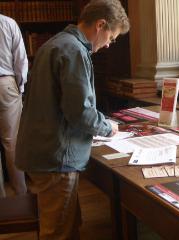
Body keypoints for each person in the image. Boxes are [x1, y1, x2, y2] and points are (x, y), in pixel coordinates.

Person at [15, 0, 129, 238]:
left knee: (69, 223)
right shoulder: (75, 50)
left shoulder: (55, 43)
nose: (109, 45)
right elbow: (79, 112)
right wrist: (108, 127)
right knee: (58, 232)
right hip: (57, 157)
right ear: (100, 25)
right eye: (111, 37)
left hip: (43, 150)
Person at [0, 13, 28, 196]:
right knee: (12, 143)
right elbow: (20, 59)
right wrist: (20, 87)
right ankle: (21, 196)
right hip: (5, 84)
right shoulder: (8, 22)